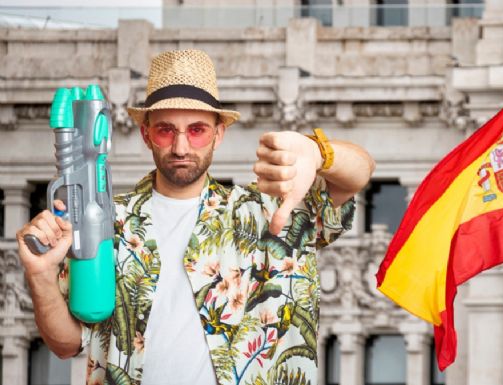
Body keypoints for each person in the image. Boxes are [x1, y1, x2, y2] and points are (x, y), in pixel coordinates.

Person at [15, 49, 374, 385]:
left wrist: (317, 152)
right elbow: (67, 344)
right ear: (146, 134)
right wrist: (40, 274)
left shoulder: (267, 211)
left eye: (197, 130)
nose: (181, 147)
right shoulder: (107, 221)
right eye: (165, 129)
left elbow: (359, 173)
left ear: (219, 133)